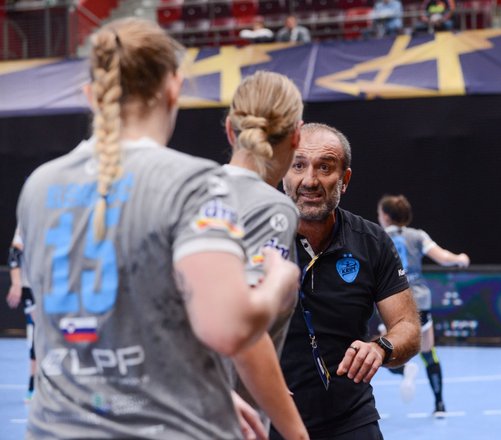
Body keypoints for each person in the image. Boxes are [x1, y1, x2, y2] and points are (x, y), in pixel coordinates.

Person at [17, 17, 299, 439]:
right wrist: (278, 282)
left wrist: (201, 388)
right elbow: (228, 329)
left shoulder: (40, 186)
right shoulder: (197, 185)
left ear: (90, 95)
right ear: (173, 88)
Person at [270, 123, 421, 439]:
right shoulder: (252, 236)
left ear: (345, 179)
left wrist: (381, 348)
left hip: (350, 419)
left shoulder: (371, 241)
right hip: (267, 417)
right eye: (298, 165)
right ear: (283, 173)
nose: (310, 180)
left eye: (325, 167)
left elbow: (407, 327)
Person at [222, 70, 308, 439]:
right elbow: (247, 327)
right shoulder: (273, 208)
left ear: (230, 129)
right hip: (227, 422)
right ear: (297, 135)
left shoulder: (188, 190)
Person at [377, 194, 469, 416]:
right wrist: (460, 258)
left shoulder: (377, 236)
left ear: (386, 217)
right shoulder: (418, 236)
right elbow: (443, 257)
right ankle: (439, 405)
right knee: (429, 353)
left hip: (390, 300)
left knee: (384, 351)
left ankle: (406, 368)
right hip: (419, 300)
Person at [6, 226, 37, 402]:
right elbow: (15, 253)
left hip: (59, 284)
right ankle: (33, 385)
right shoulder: (29, 213)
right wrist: (16, 284)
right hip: (32, 285)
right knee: (36, 332)